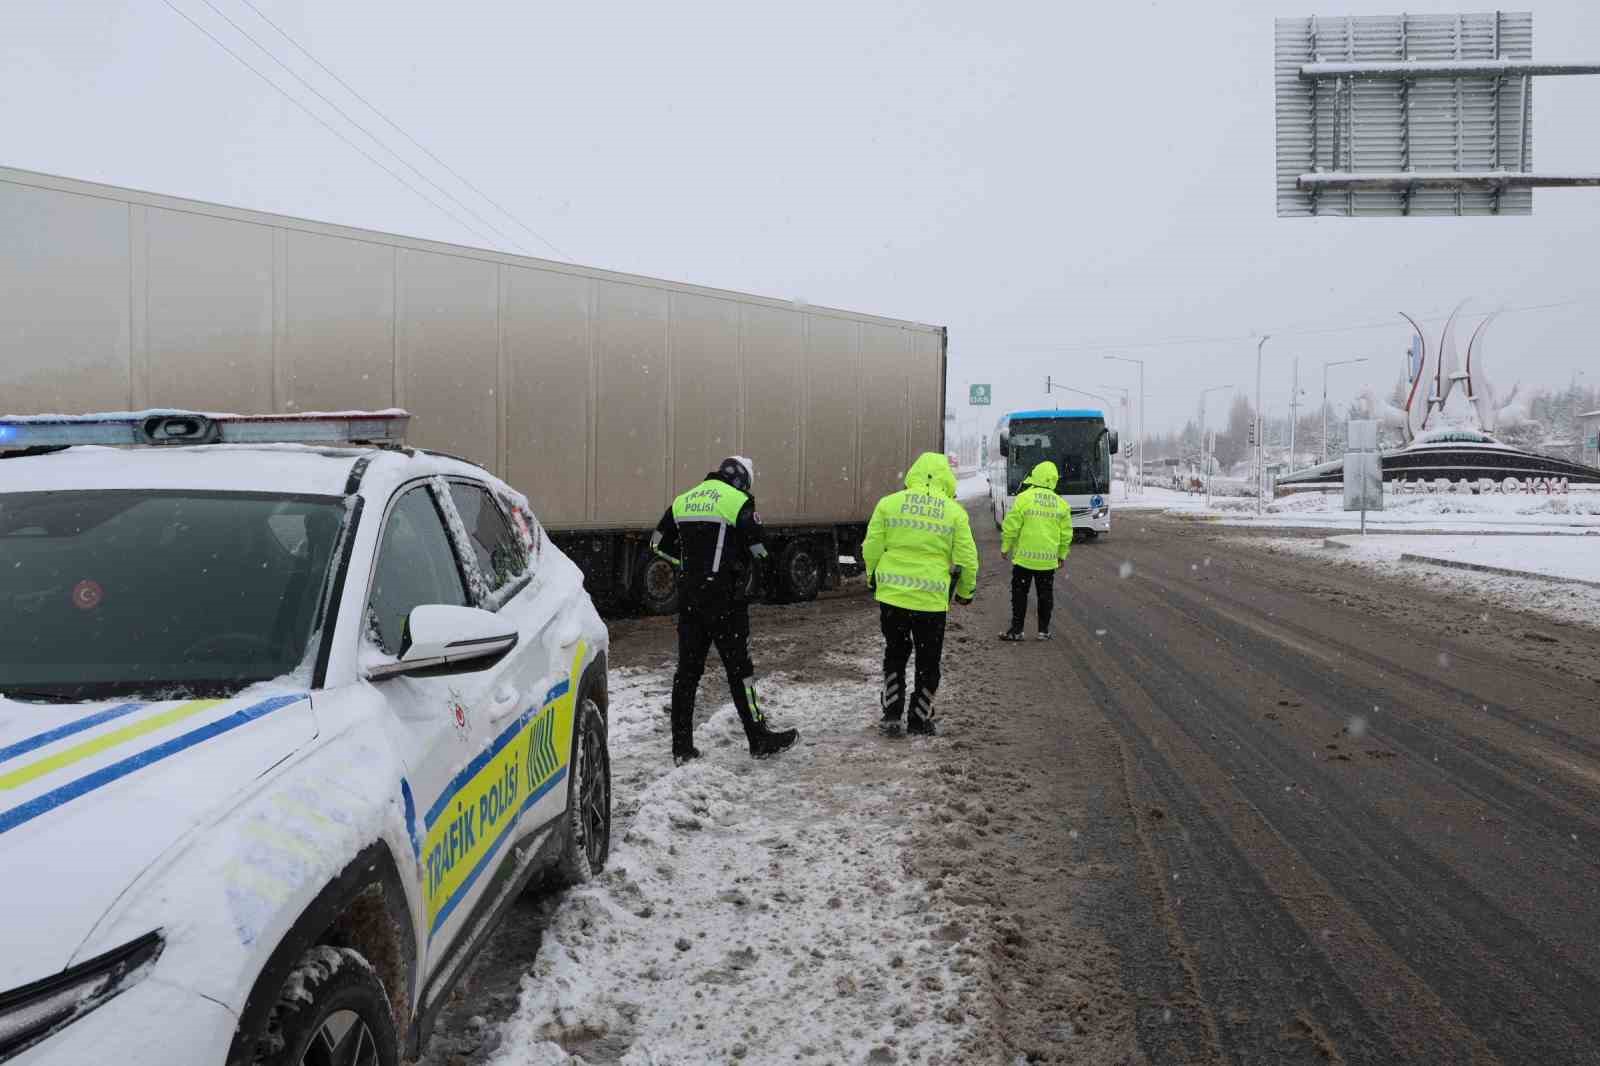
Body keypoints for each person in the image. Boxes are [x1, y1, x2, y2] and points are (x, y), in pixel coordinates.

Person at [651, 456, 799, 765]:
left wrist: (686, 567)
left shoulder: (683, 500)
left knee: (687, 673)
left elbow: (657, 543)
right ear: (743, 481)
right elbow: (761, 549)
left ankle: (682, 747)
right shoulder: (738, 501)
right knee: (740, 672)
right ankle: (758, 738)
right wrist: (750, 573)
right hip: (726, 602)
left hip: (690, 600)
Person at [862, 451, 979, 737]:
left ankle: (891, 713)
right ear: (945, 479)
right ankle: (918, 718)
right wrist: (965, 592)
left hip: (893, 597)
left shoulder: (888, 504)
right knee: (928, 662)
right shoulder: (953, 512)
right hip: (931, 601)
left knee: (895, 654)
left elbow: (872, 546)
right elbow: (967, 558)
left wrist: (872, 577)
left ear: (913, 474)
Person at [999, 460, 1072, 641]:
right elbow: (1066, 534)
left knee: (1019, 594)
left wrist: (1006, 546)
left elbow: (1011, 526)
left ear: (1035, 476)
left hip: (1024, 559)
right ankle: (1044, 631)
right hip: (1047, 561)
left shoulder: (1024, 498)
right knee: (1045, 595)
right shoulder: (1061, 504)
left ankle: (1017, 630)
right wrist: (1062, 554)